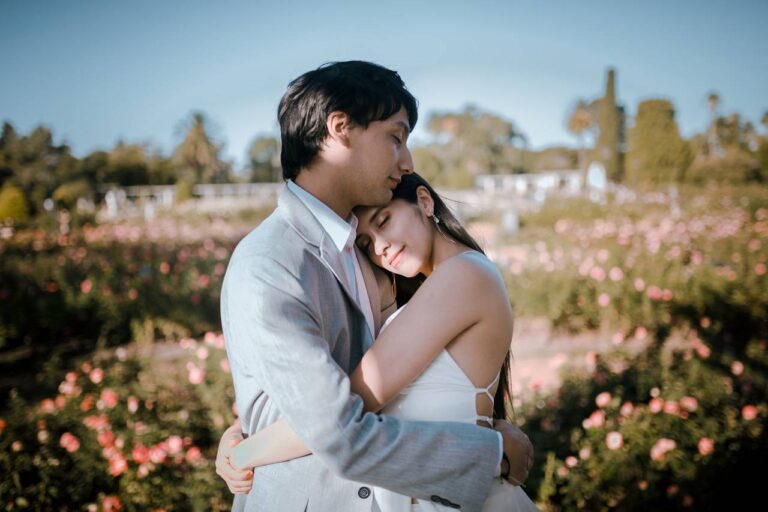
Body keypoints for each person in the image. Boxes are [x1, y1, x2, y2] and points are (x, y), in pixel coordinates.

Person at [217, 60, 534, 512]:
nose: (407, 162)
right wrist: (239, 443)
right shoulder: (270, 263)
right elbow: (334, 424)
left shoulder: (368, 255)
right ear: (340, 128)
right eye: (396, 137)